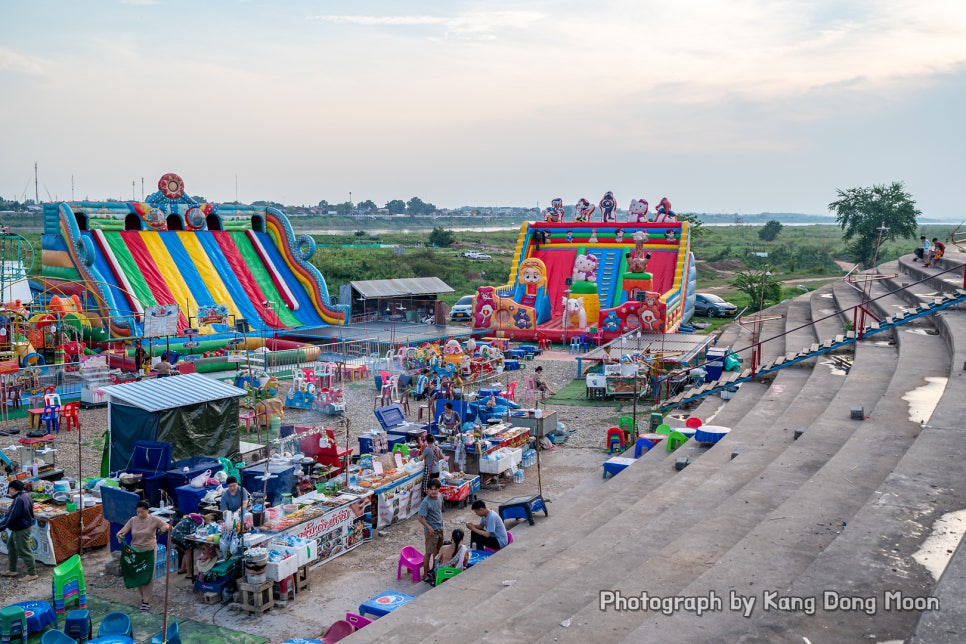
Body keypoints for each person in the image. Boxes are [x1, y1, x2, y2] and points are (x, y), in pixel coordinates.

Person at [117, 500, 172, 611]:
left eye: (141, 512)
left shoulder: (154, 520)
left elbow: (168, 526)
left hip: (149, 551)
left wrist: (163, 528)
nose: (139, 514)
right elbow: (123, 531)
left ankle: (146, 600)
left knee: (148, 575)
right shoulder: (133, 520)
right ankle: (143, 596)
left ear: (147, 511)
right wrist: (119, 534)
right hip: (135, 550)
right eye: (138, 512)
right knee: (138, 573)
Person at [0, 480, 37, 582]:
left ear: (12, 489)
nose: (9, 491)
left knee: (24, 550)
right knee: (11, 545)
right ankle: (12, 569)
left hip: (22, 528)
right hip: (21, 526)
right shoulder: (26, 495)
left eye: (9, 489)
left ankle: (32, 573)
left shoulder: (18, 500)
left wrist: (1, 527)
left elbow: (11, 517)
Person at [416, 479, 443, 582]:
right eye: (431, 489)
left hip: (440, 528)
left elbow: (439, 511)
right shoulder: (426, 502)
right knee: (428, 553)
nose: (433, 492)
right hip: (431, 531)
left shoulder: (440, 496)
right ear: (428, 490)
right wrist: (429, 527)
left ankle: (434, 569)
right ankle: (425, 574)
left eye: (435, 489)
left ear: (438, 490)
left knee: (438, 550)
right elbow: (420, 517)